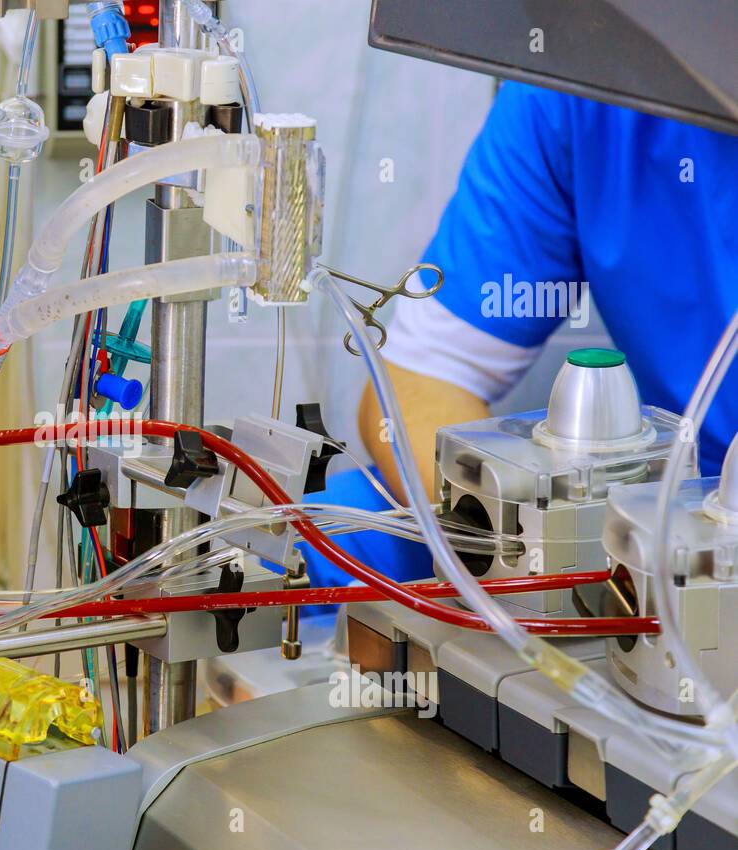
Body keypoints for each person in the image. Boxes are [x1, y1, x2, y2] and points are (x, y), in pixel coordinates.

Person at [299, 81, 738, 591]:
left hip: (697, 537)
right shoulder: (583, 83)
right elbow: (423, 381)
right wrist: (521, 561)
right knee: (312, 542)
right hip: (669, 515)